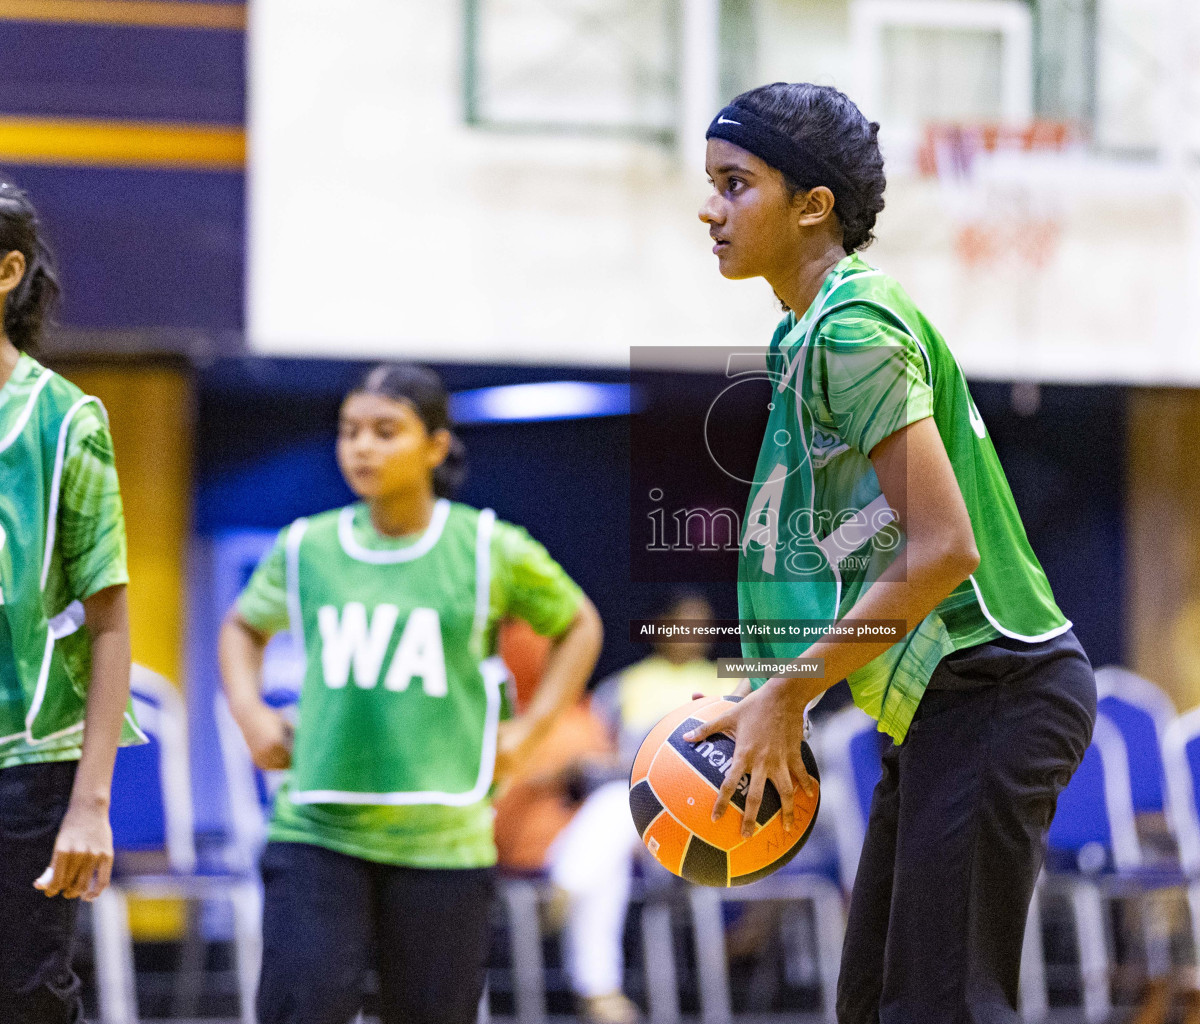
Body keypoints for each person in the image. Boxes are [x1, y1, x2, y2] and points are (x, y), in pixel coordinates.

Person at [689, 84, 1098, 1024]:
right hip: (941, 706)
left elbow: (943, 548)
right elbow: (847, 549)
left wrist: (790, 689)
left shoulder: (853, 332)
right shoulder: (803, 330)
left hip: (999, 688)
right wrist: (771, 690)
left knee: (943, 1007)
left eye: (734, 184)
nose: (709, 208)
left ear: (813, 205)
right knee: (874, 1004)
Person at [219, 363, 603, 1024]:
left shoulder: (487, 547)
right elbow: (241, 627)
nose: (362, 447)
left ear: (435, 445)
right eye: (349, 432)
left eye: (384, 431)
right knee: (301, 1007)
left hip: (443, 839)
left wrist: (533, 729)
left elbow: (578, 624)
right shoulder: (308, 545)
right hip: (318, 829)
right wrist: (251, 714)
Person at [0, 180, 136, 1023]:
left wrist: (90, 803)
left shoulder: (62, 421)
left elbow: (111, 620)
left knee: (25, 998)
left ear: (6, 270)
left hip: (25, 770)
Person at [521, 592, 735, 1024]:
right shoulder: (623, 686)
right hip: (644, 825)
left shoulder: (730, 680)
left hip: (710, 821)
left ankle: (564, 886)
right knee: (619, 818)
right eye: (684, 622)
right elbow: (598, 763)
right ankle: (600, 991)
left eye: (703, 623)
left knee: (617, 814)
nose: (694, 633)